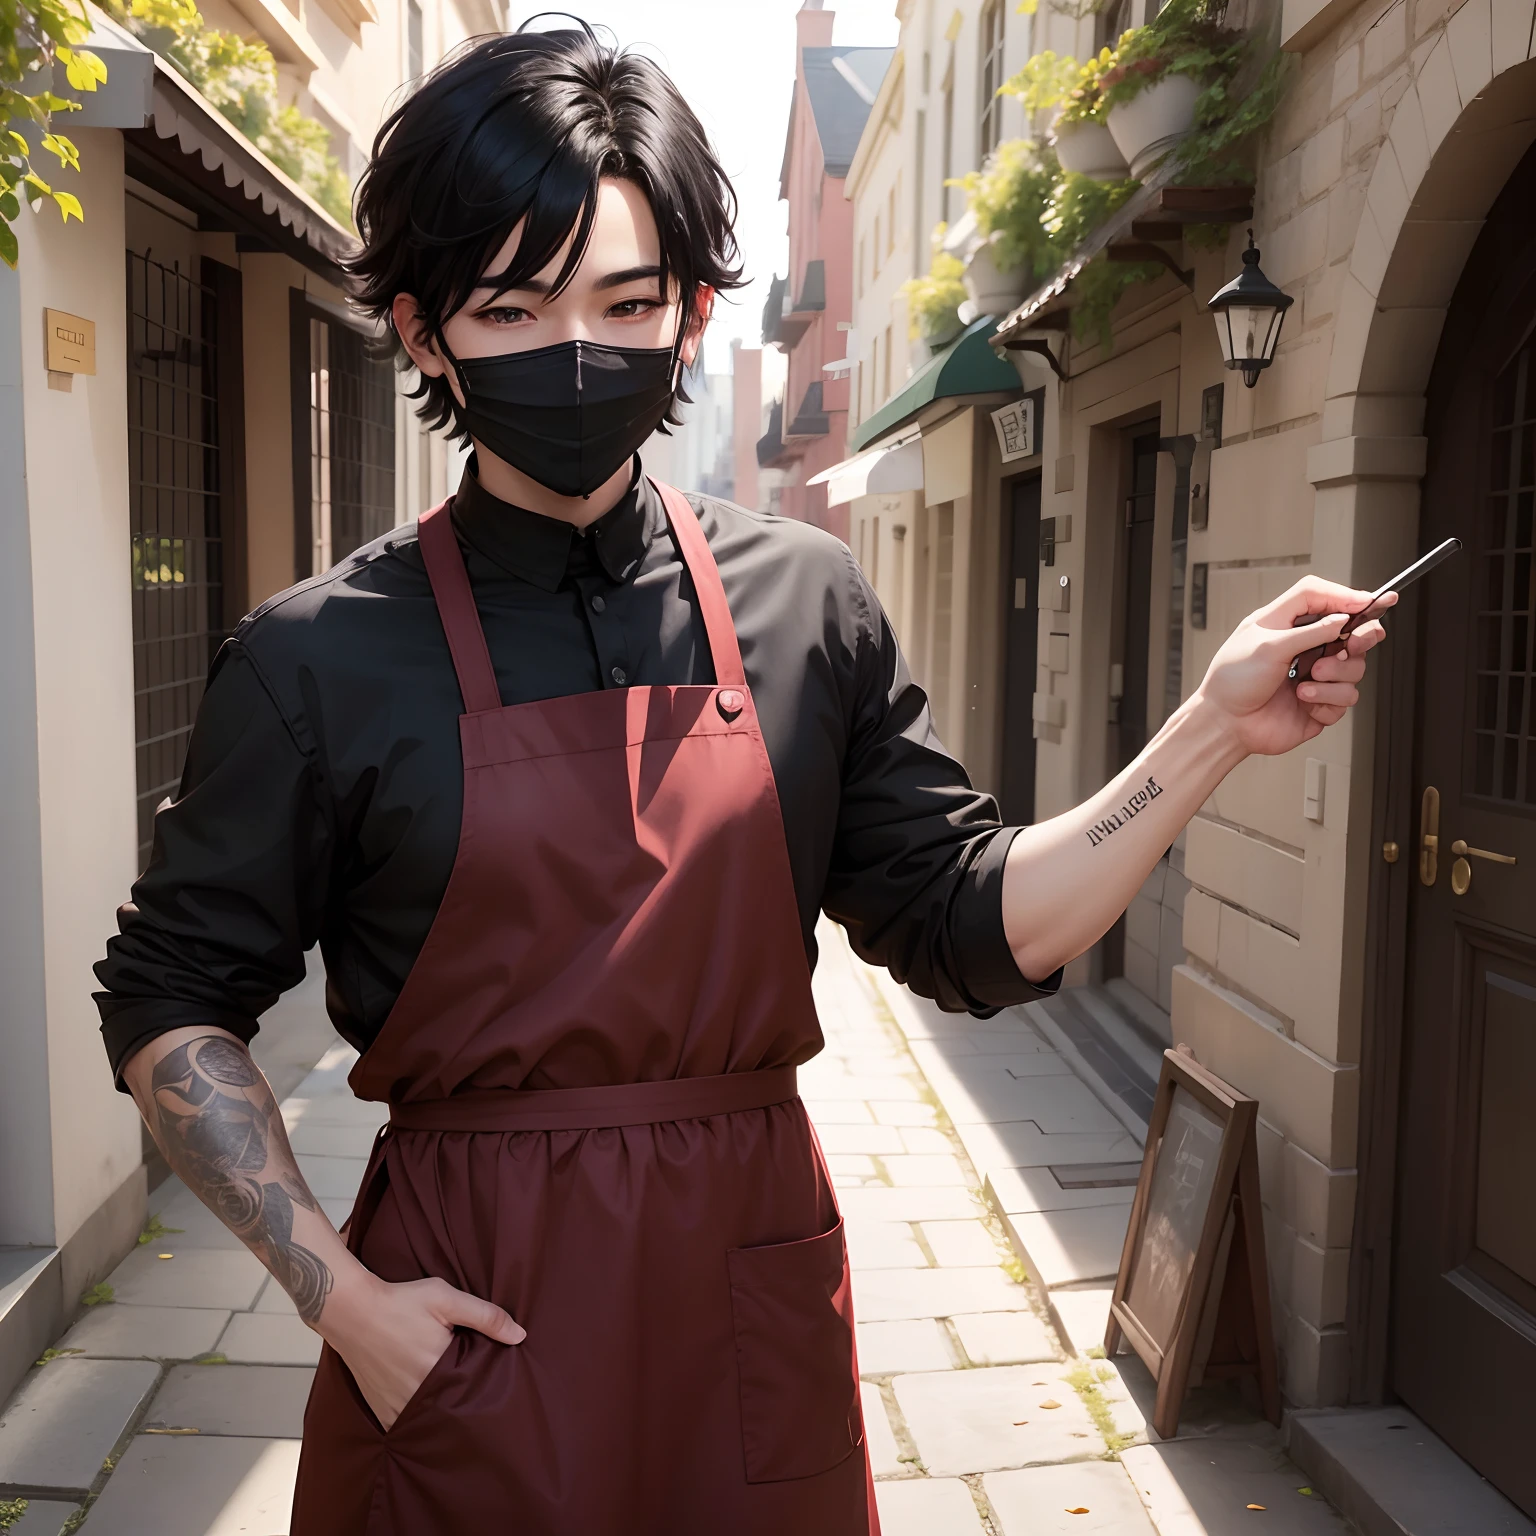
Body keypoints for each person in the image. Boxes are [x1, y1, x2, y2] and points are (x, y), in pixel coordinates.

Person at [94, 20, 1389, 1536]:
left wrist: (1214, 731)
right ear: (424, 330)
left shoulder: (806, 601)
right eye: (512, 305)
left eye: (626, 300)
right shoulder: (314, 660)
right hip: (462, 1310)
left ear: (695, 314)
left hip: (746, 1285)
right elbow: (170, 998)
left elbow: (977, 923)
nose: (577, 348)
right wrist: (344, 1299)